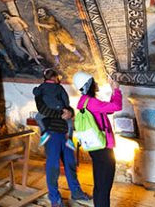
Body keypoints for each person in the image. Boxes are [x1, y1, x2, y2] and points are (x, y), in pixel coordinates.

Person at [34, 69, 92, 206]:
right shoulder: (40, 91)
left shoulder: (58, 89)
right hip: (52, 133)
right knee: (53, 166)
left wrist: (70, 112)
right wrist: (63, 113)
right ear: (54, 77)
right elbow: (42, 110)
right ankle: (55, 198)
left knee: (69, 163)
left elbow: (68, 107)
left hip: (65, 133)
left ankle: (76, 192)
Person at [73, 71, 122, 207]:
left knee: (100, 182)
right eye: (93, 82)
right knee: (104, 185)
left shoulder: (84, 102)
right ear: (89, 85)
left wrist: (113, 91)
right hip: (103, 147)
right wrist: (116, 90)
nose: (96, 84)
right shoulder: (92, 102)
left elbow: (108, 110)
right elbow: (117, 107)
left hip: (94, 146)